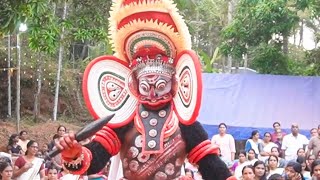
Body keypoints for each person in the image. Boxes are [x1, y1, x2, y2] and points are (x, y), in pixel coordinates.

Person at [54, 1, 231, 180]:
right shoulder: (124, 120)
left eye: (160, 86)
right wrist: (74, 154)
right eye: (146, 87)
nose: (153, 94)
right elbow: (96, 159)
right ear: (135, 86)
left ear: (174, 82)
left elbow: (210, 164)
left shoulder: (185, 124)